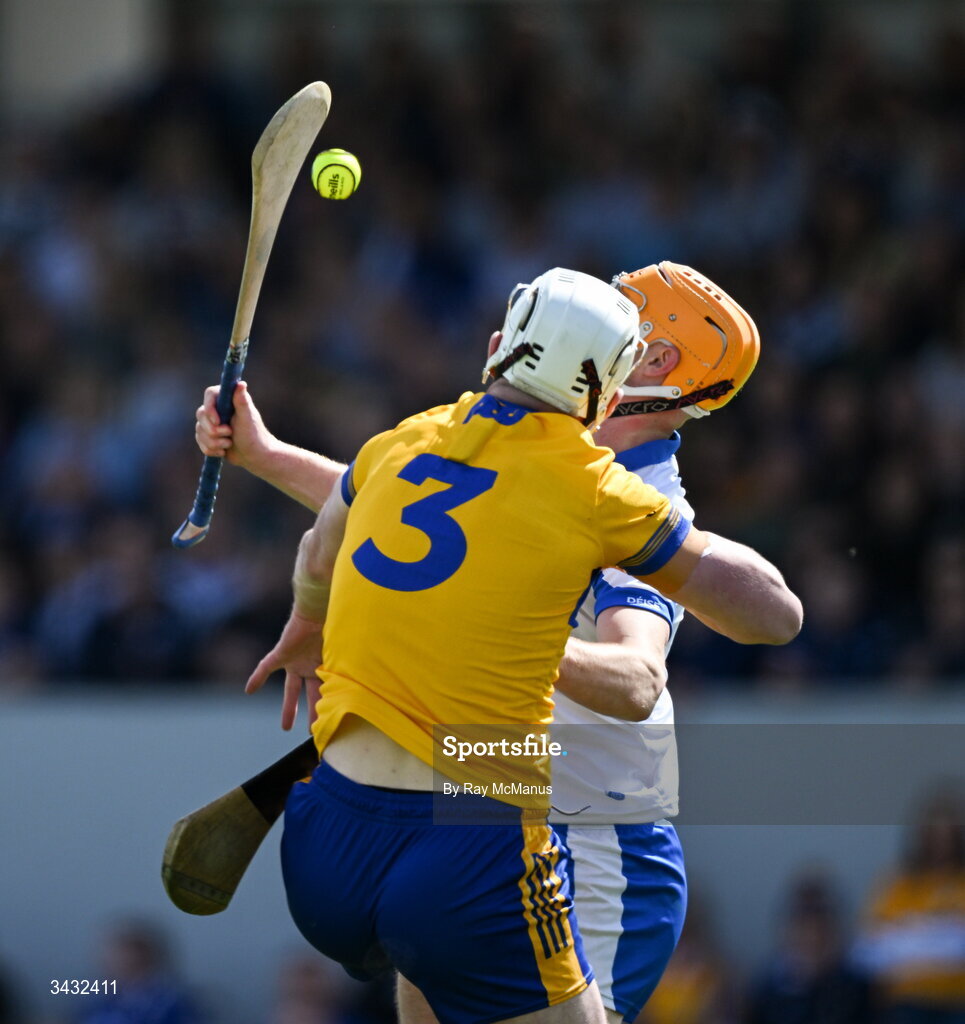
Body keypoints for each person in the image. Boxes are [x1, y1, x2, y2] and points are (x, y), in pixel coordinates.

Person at [197, 266, 802, 1024]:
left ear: (654, 366)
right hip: (463, 806)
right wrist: (264, 455)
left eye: (632, 318)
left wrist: (501, 635)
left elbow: (639, 676)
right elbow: (405, 510)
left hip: (592, 835)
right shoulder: (510, 444)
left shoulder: (629, 501)